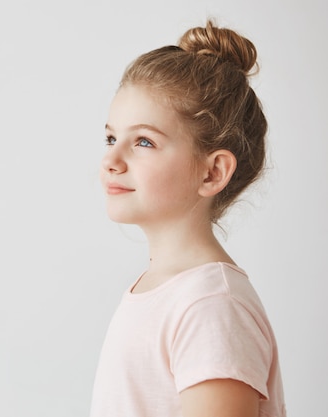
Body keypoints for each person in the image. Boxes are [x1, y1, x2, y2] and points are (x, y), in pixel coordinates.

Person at [90, 20, 286, 417]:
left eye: (143, 141)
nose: (111, 161)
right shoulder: (162, 290)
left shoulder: (210, 306)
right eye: (112, 138)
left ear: (212, 172)